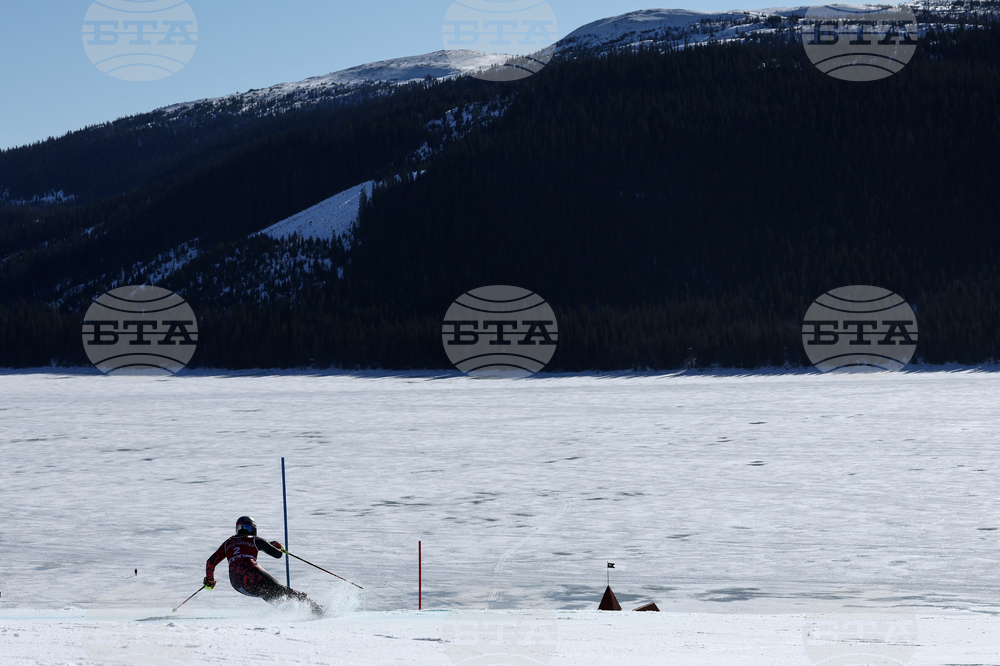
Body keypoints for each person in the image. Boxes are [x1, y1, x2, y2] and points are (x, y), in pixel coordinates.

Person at [205, 515, 323, 615]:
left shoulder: (227, 543)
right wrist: (275, 546)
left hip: (237, 584)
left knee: (267, 594)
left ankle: (291, 613)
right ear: (253, 528)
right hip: (253, 573)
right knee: (280, 590)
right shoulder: (255, 540)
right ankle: (316, 608)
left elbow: (210, 562)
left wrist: (209, 580)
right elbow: (277, 555)